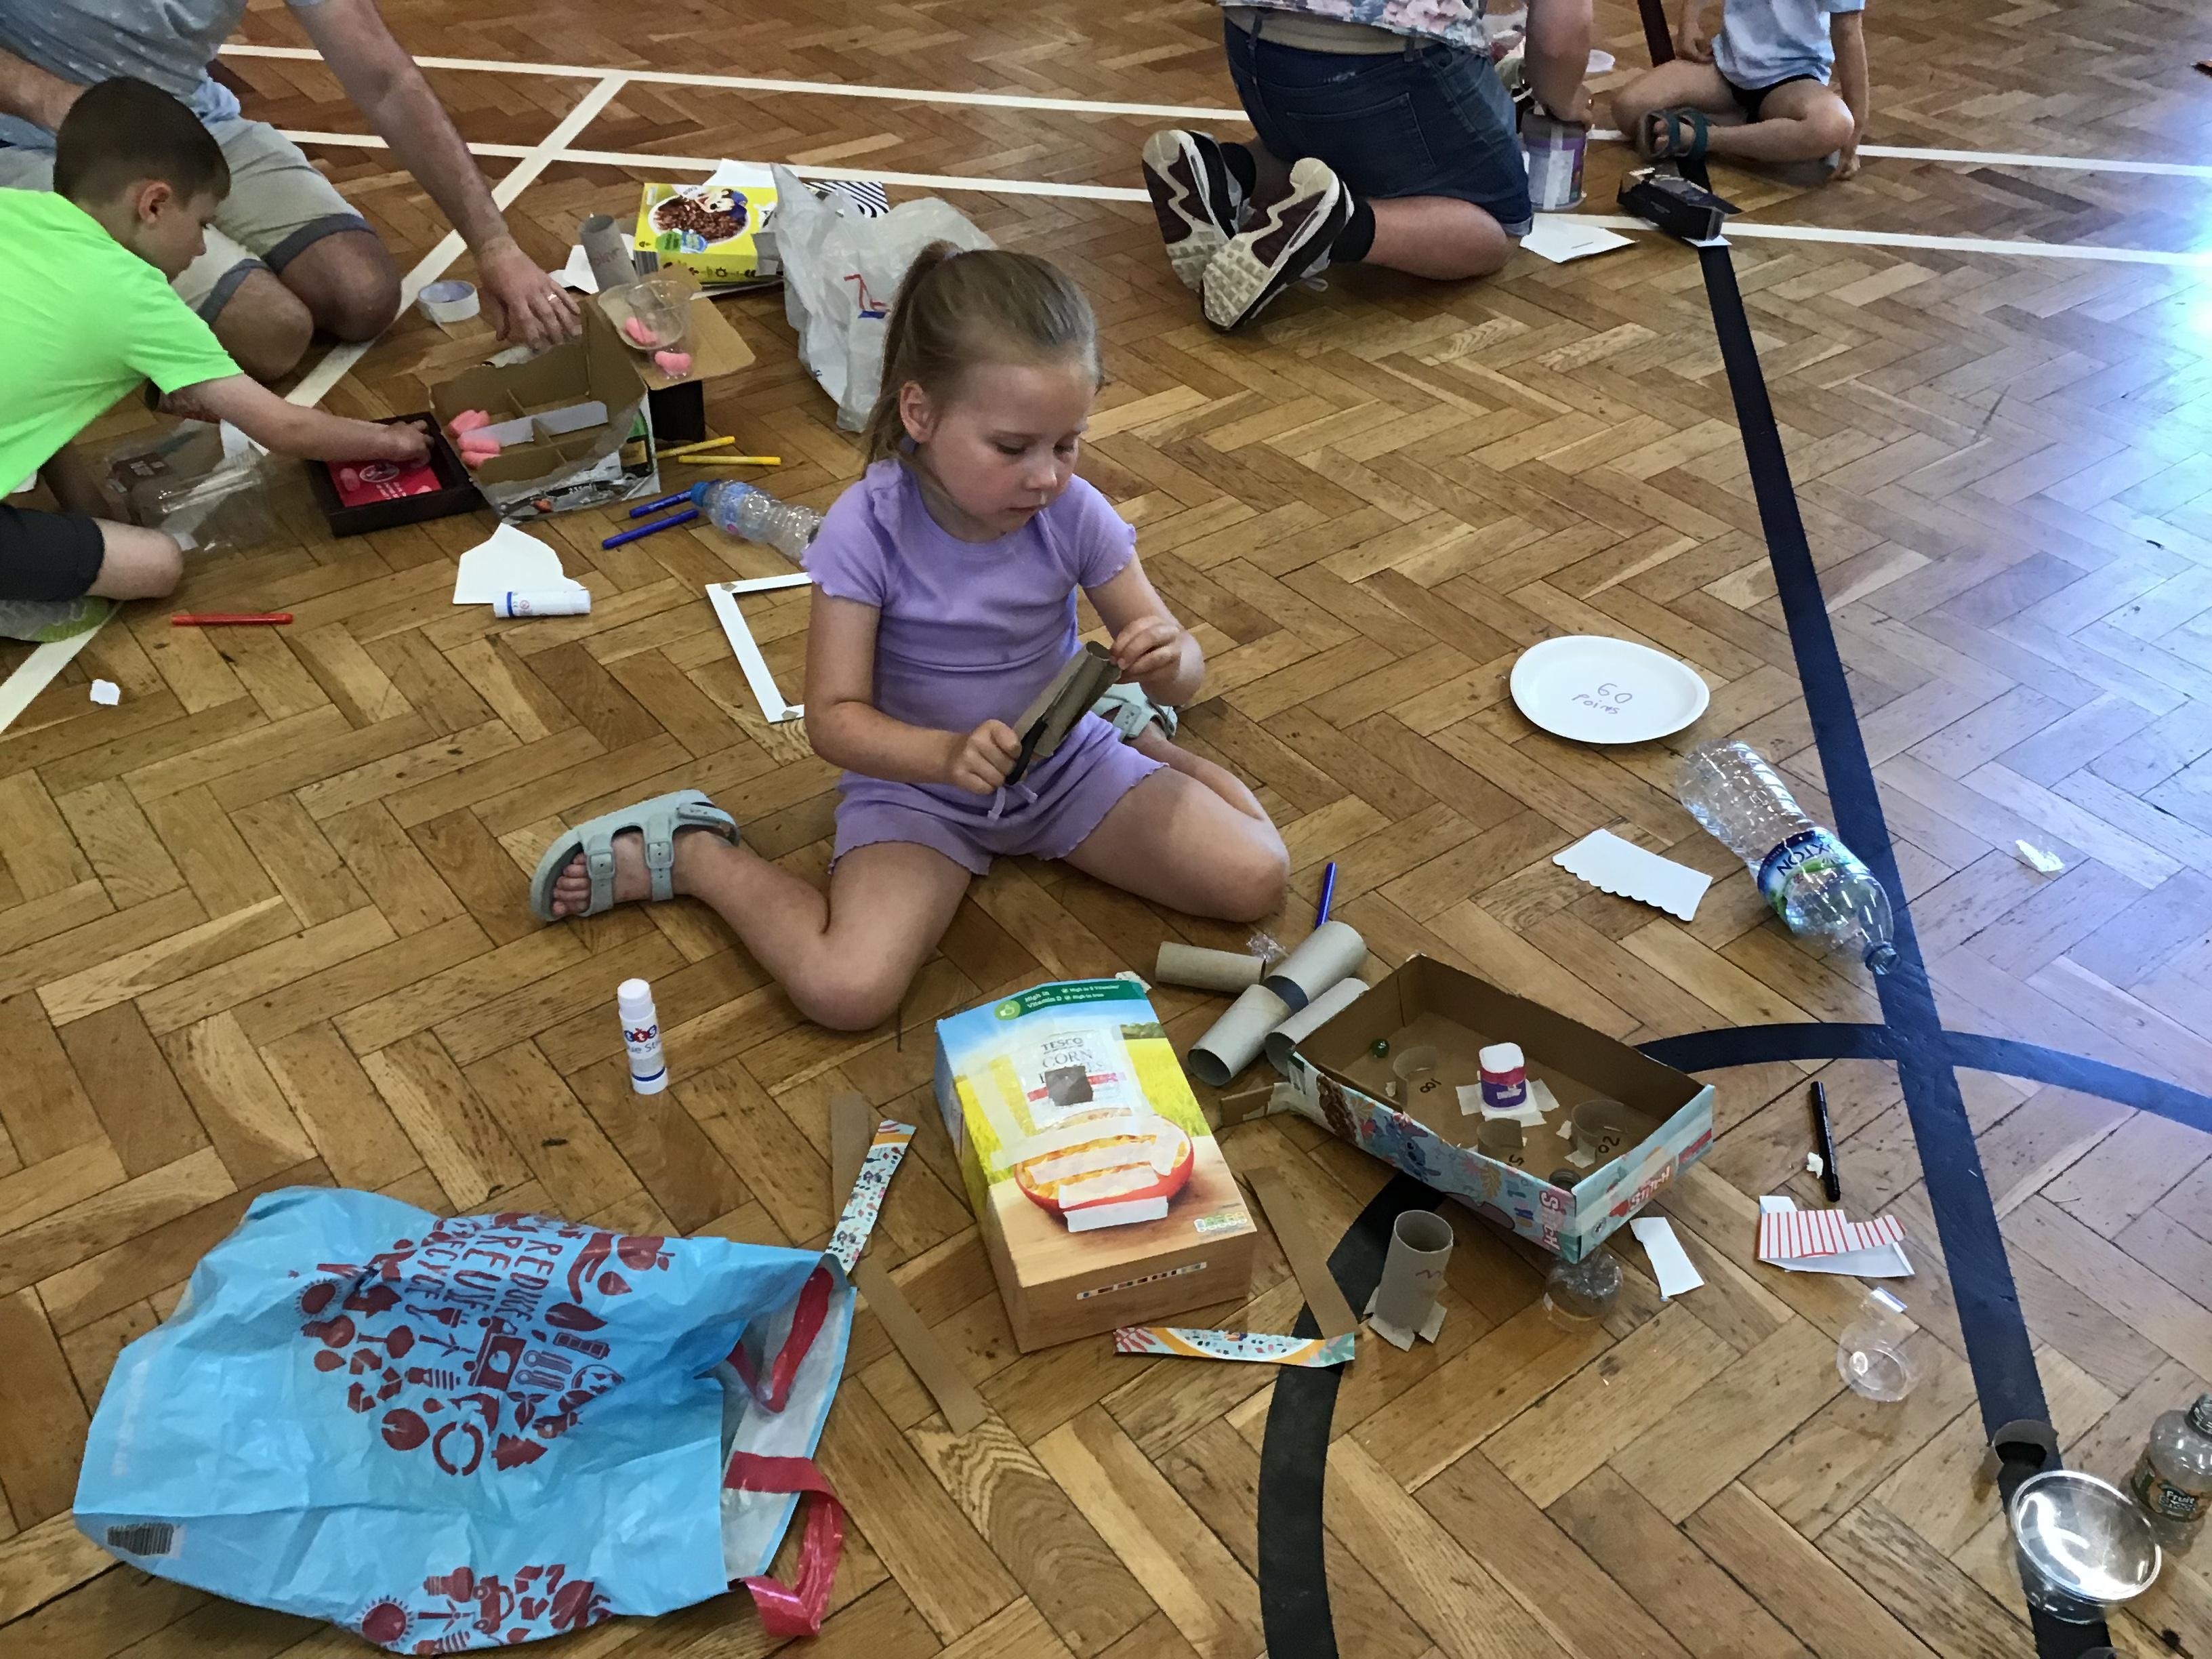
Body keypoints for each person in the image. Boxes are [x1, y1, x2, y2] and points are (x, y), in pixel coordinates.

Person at [529, 247, 1291, 1032]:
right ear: (920, 415)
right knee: (846, 991)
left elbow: (1182, 668)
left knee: (1257, 877)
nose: (1047, 477)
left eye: (1067, 444)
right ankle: (697, 854)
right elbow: (833, 721)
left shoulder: (1074, 510)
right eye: (1013, 447)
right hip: (916, 790)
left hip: (1064, 763)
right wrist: (945, 758)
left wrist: (1170, 660)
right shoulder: (866, 529)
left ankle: (1133, 732)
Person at [3, 79, 429, 608]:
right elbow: (285, 427)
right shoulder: (138, 296)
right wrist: (391, 443)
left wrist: (90, 510)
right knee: (156, 565)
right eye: (203, 224)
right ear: (154, 204)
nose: (203, 247)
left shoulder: (14, 210)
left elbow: (38, 403)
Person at [0, 0, 580, 382]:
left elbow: (385, 80)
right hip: (32, 143)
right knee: (273, 333)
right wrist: (60, 105)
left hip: (192, 122)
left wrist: (495, 245)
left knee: (364, 297)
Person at [1140, 0, 1591, 331]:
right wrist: (1565, 99)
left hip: (1252, 44)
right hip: (1385, 58)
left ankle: (1225, 170)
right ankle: (1337, 228)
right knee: (1500, 224)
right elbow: (1558, 40)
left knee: (1321, 149)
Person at [1609, 0, 1866, 177]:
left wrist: (1856, 128)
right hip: (1726, 67)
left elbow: (1848, 32)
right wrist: (1689, 21)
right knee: (1628, 108)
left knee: (1833, 125)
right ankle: (1751, 128)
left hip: (1793, 80)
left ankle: (1702, 137)